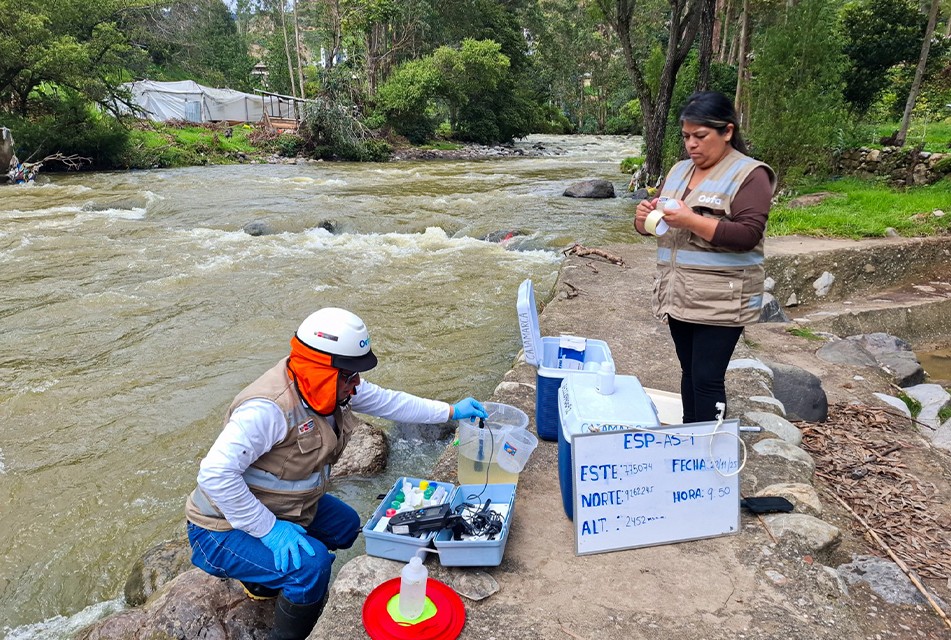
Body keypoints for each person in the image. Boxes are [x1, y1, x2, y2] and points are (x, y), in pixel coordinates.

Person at [184, 307, 488, 640]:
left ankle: (262, 578)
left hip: (281, 505)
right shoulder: (267, 410)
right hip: (219, 525)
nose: (356, 383)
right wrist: (269, 531)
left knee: (345, 527)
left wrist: (450, 410)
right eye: (349, 374)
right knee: (312, 569)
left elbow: (392, 402)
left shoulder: (331, 389)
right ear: (320, 370)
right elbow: (215, 474)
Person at [634, 91, 776, 423]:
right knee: (689, 372)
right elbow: (663, 227)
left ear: (727, 132)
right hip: (679, 294)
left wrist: (692, 220)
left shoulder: (750, 174)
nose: (691, 145)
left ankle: (710, 452)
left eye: (700, 136)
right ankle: (690, 442)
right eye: (686, 136)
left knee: (708, 378)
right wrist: (643, 220)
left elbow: (747, 234)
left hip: (722, 299)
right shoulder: (679, 170)